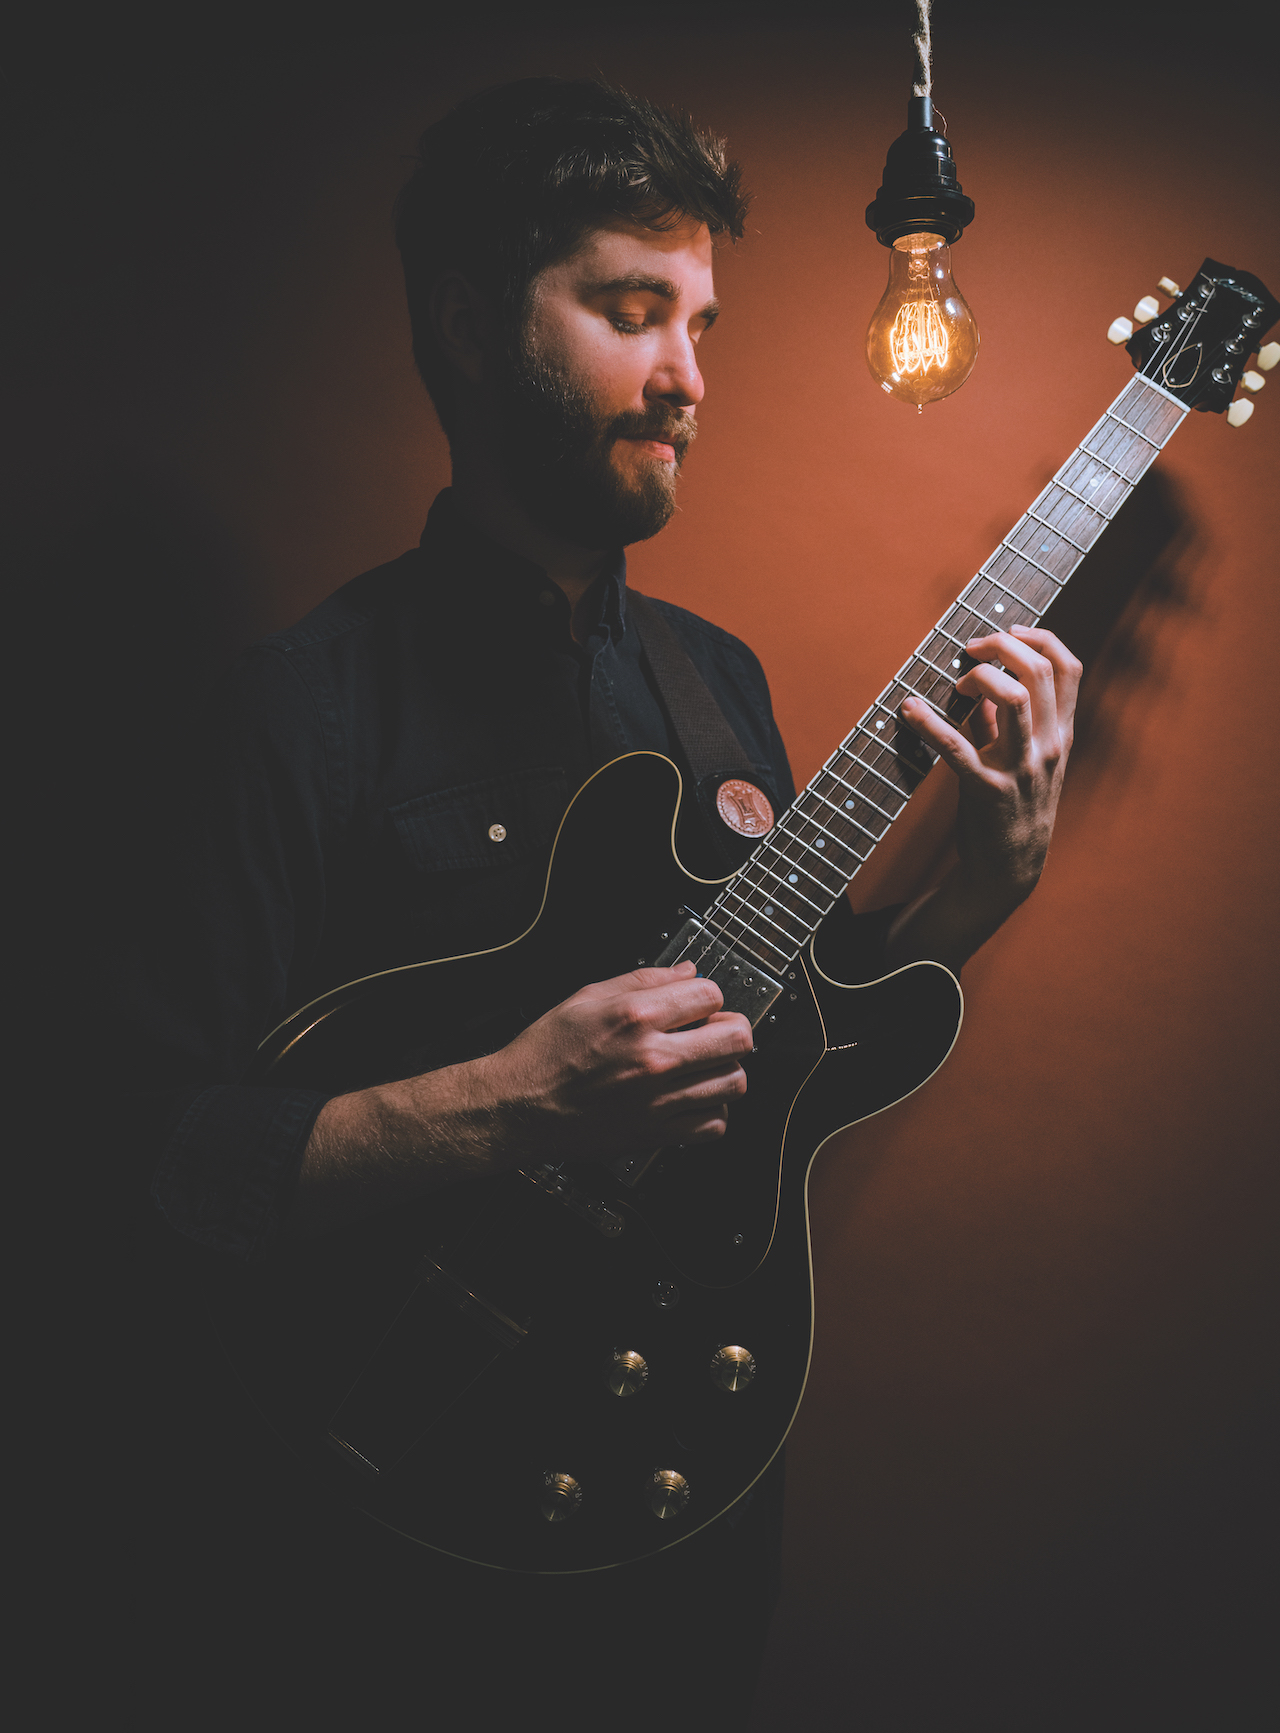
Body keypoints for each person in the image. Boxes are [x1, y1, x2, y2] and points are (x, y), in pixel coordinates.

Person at [116, 77, 1081, 1730]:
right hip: (384, 1538)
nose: (692, 376)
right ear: (476, 325)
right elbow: (152, 1161)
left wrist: (975, 884)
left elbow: (777, 1044)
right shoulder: (301, 710)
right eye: (637, 313)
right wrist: (507, 1102)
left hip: (681, 1500)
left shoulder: (720, 685)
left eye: (702, 321)